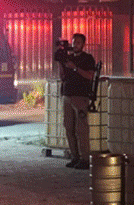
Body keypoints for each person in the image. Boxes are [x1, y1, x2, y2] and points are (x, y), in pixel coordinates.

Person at [55, 33, 97, 170]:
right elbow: (62, 77)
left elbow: (90, 76)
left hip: (80, 97)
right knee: (69, 128)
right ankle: (75, 157)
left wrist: (74, 67)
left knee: (81, 130)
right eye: (74, 42)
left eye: (78, 42)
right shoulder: (69, 58)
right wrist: (62, 63)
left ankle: (85, 159)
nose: (75, 45)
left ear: (83, 44)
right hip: (67, 95)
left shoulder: (87, 58)